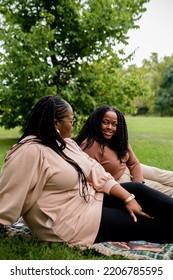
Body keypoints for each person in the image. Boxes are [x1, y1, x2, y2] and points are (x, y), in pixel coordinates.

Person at [1, 96, 173, 246]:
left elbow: (96, 171)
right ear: (56, 124)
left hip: (90, 199)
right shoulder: (29, 152)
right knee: (146, 224)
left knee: (139, 191)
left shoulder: (67, 144)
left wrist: (127, 198)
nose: (74, 125)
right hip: (68, 221)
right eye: (71, 120)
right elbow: (8, 195)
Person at [75, 104, 173, 196]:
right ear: (96, 123)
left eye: (114, 124)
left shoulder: (118, 139)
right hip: (120, 181)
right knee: (162, 189)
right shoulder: (90, 145)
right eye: (105, 122)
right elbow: (92, 180)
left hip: (129, 168)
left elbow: (134, 163)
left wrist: (138, 183)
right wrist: (138, 188)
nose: (110, 127)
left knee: (161, 174)